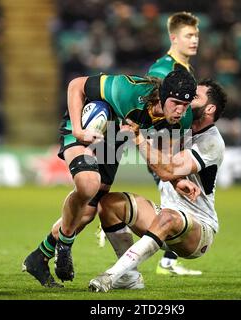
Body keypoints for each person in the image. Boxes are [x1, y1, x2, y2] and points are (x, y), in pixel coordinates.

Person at [22, 69, 197, 287]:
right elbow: (76, 84)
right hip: (88, 124)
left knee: (86, 214)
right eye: (175, 103)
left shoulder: (183, 120)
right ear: (162, 95)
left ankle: (39, 258)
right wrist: (77, 130)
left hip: (113, 140)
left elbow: (163, 162)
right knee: (88, 184)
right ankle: (65, 245)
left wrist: (175, 180)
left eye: (186, 105)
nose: (180, 110)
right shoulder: (127, 90)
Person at [88, 79, 227, 292]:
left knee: (168, 216)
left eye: (195, 97)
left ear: (210, 108)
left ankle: (113, 275)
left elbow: (165, 170)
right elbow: (158, 163)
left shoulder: (211, 141)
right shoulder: (176, 127)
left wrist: (139, 139)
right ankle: (130, 278)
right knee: (108, 204)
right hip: (165, 218)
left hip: (199, 229)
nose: (187, 99)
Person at [148, 11, 203, 276]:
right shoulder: (162, 70)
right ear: (174, 37)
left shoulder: (185, 70)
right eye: (188, 35)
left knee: (181, 204)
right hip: (163, 146)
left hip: (178, 145)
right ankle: (120, 226)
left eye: (196, 35)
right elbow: (155, 113)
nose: (194, 40)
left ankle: (167, 260)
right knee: (175, 205)